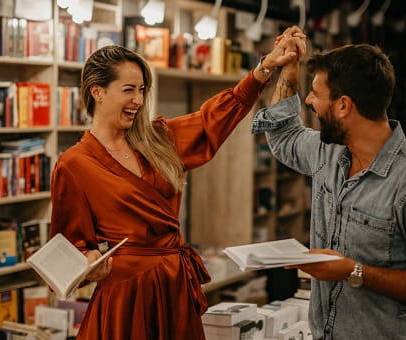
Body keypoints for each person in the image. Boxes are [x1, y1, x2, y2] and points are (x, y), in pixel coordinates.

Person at [49, 32, 305, 340]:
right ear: (97, 92)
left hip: (175, 284)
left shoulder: (158, 138)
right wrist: (87, 264)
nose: (139, 101)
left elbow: (215, 118)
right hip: (128, 295)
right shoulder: (74, 164)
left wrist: (264, 69)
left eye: (142, 90)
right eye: (128, 90)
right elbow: (66, 251)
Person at [253, 33, 406, 339]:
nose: (309, 101)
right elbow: (284, 138)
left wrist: (353, 271)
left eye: (315, 93)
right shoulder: (330, 152)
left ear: (344, 106)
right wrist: (287, 71)